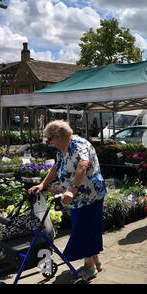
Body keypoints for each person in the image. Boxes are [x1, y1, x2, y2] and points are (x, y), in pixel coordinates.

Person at [29, 120, 107, 280]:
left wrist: (71, 190)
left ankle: (89, 267)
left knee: (82, 230)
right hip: (79, 197)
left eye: (49, 139)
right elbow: (56, 167)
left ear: (58, 136)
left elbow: (82, 165)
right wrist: (43, 184)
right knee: (87, 228)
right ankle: (95, 262)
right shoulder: (63, 148)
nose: (49, 143)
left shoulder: (77, 145)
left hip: (89, 195)